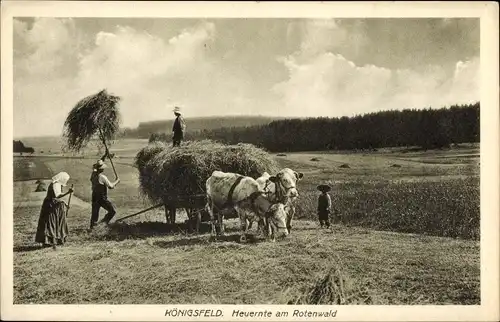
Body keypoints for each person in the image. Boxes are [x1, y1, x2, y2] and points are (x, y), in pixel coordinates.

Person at [35, 172, 74, 249]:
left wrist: (64, 202)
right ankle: (49, 241)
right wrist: (68, 192)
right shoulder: (56, 184)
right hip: (50, 205)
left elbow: (56, 195)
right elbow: (57, 195)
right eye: (65, 179)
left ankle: (56, 240)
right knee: (50, 222)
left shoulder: (56, 184)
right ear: (62, 178)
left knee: (54, 221)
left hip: (53, 203)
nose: (65, 181)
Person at [89, 157, 120, 229]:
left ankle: (92, 228)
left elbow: (94, 169)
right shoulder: (102, 177)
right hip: (101, 198)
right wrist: (117, 181)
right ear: (102, 169)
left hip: (94, 197)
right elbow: (111, 186)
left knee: (94, 215)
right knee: (112, 212)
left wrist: (105, 155)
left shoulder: (93, 175)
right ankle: (102, 224)